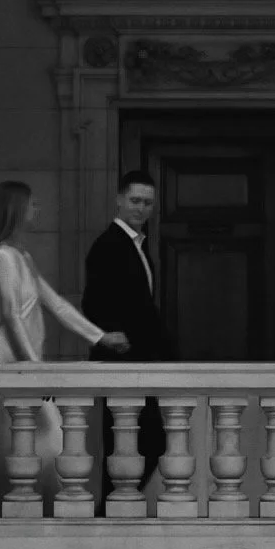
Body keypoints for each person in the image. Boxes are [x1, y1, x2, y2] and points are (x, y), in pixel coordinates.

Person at [82, 169, 173, 498]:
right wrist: (110, 336)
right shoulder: (108, 244)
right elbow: (93, 302)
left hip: (141, 360)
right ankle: (110, 505)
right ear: (119, 200)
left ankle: (113, 503)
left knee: (144, 440)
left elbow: (144, 307)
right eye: (135, 200)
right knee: (131, 439)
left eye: (148, 202)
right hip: (119, 359)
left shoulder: (138, 246)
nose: (141, 208)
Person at [0, 180, 127, 363]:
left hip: (23, 363)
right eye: (32, 204)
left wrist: (101, 337)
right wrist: (34, 366)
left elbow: (57, 304)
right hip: (6, 362)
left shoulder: (23, 257)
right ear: (17, 208)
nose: (37, 209)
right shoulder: (3, 257)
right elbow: (11, 315)